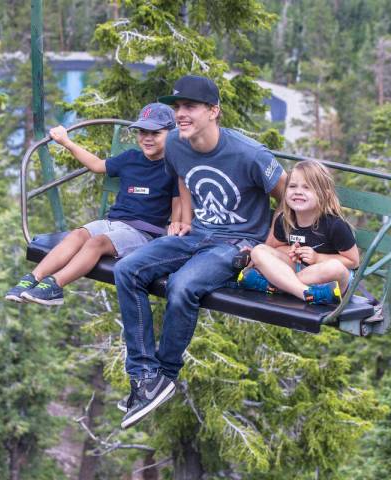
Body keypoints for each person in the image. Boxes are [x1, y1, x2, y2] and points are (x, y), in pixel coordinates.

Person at [114, 75, 287, 429]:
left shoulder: (250, 154)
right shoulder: (176, 144)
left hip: (237, 243)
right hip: (198, 235)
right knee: (126, 270)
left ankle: (165, 373)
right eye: (178, 107)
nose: (181, 114)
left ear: (214, 111)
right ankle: (146, 377)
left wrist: (270, 246)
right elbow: (183, 178)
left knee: (182, 286)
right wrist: (186, 219)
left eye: (190, 106)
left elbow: (287, 195)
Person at [5, 103, 181, 306]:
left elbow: (178, 204)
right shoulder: (130, 158)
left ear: (171, 134)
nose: (147, 138)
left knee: (96, 243)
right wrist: (66, 142)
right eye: (142, 132)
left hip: (141, 233)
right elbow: (97, 165)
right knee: (78, 234)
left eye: (155, 133)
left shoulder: (173, 167)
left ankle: (55, 285)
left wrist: (175, 225)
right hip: (113, 223)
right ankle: (33, 278)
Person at [239, 160, 360, 304]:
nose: (298, 192)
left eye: (307, 187)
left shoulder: (335, 225)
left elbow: (353, 262)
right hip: (299, 272)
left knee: (335, 268)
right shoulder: (285, 219)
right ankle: (305, 293)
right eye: (292, 186)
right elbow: (275, 248)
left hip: (328, 281)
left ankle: (277, 286)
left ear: (325, 195)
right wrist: (291, 250)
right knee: (259, 251)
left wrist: (317, 258)